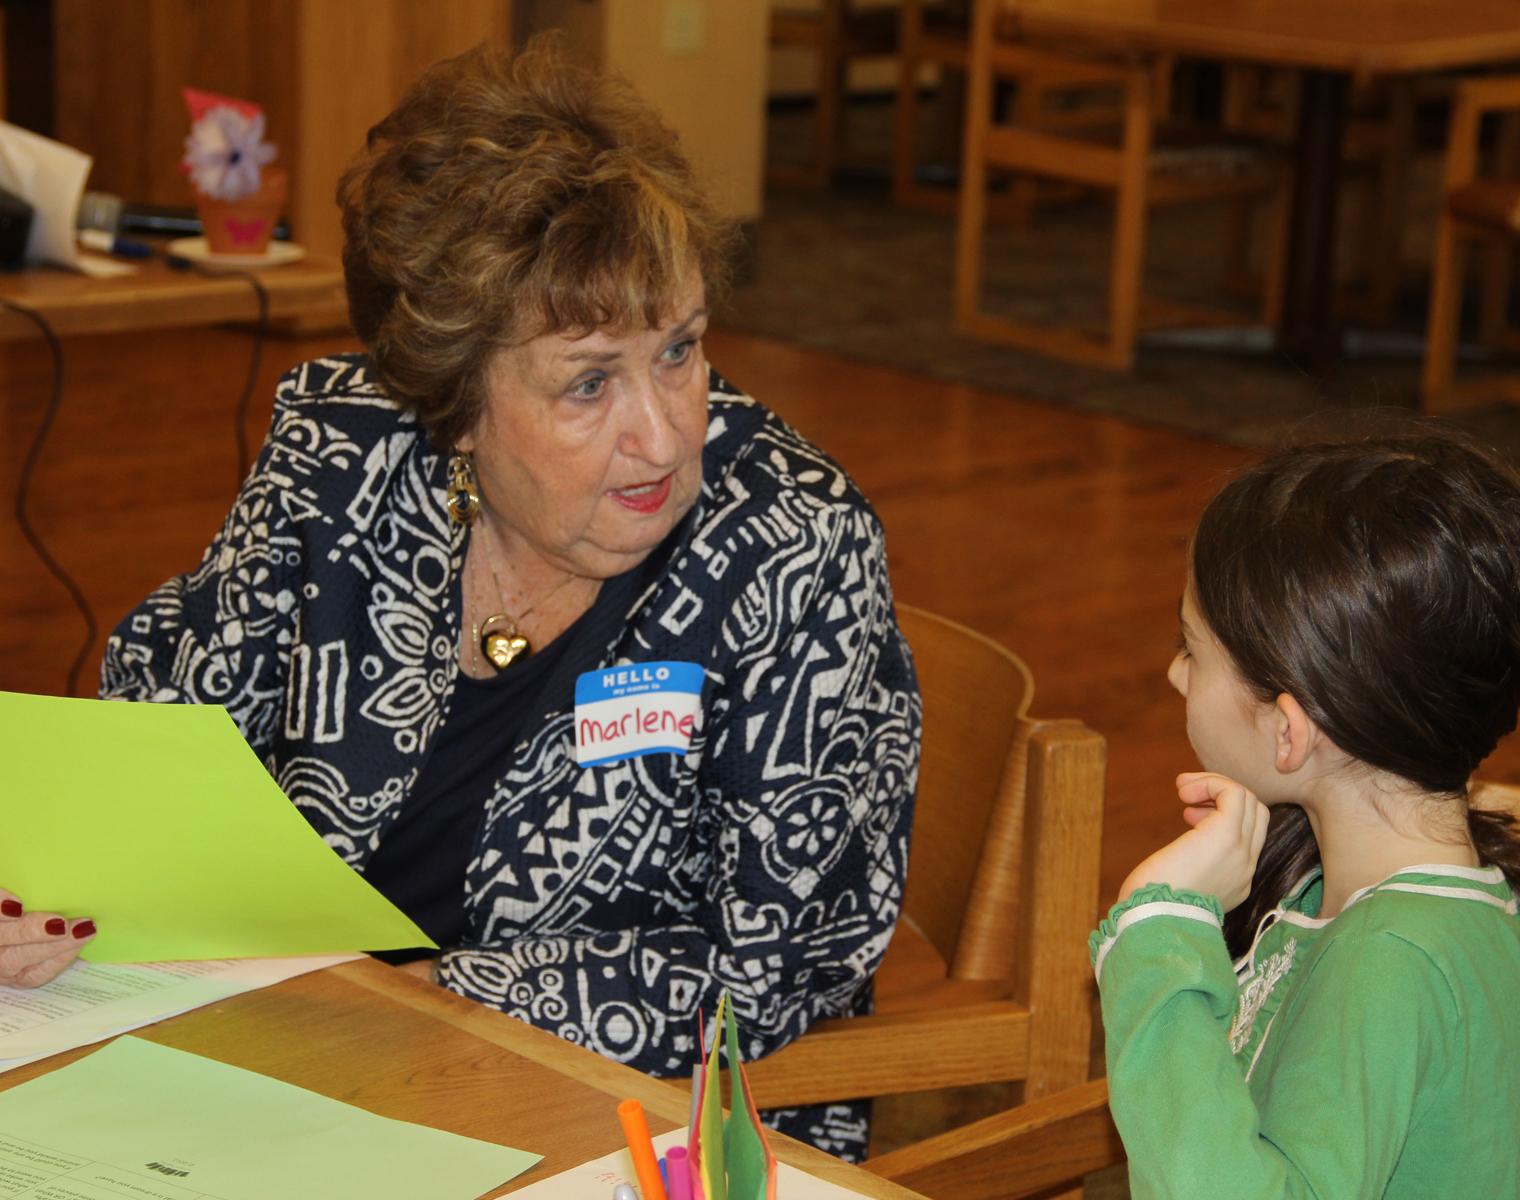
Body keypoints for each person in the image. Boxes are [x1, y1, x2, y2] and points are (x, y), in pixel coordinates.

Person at [0, 40, 920, 1159]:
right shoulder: (345, 451)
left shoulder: (792, 545)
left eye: (678, 351)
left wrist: (425, 1001)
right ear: (453, 406)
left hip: (620, 1121)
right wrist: (55, 896)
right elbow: (167, 723)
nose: (665, 431)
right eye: (589, 380)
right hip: (290, 1068)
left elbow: (778, 961)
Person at [1093, 430, 1520, 1197]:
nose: (1172, 672)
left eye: (1191, 649)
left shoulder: (1395, 961)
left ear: (1289, 730)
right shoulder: (1337, 890)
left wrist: (1155, 930)